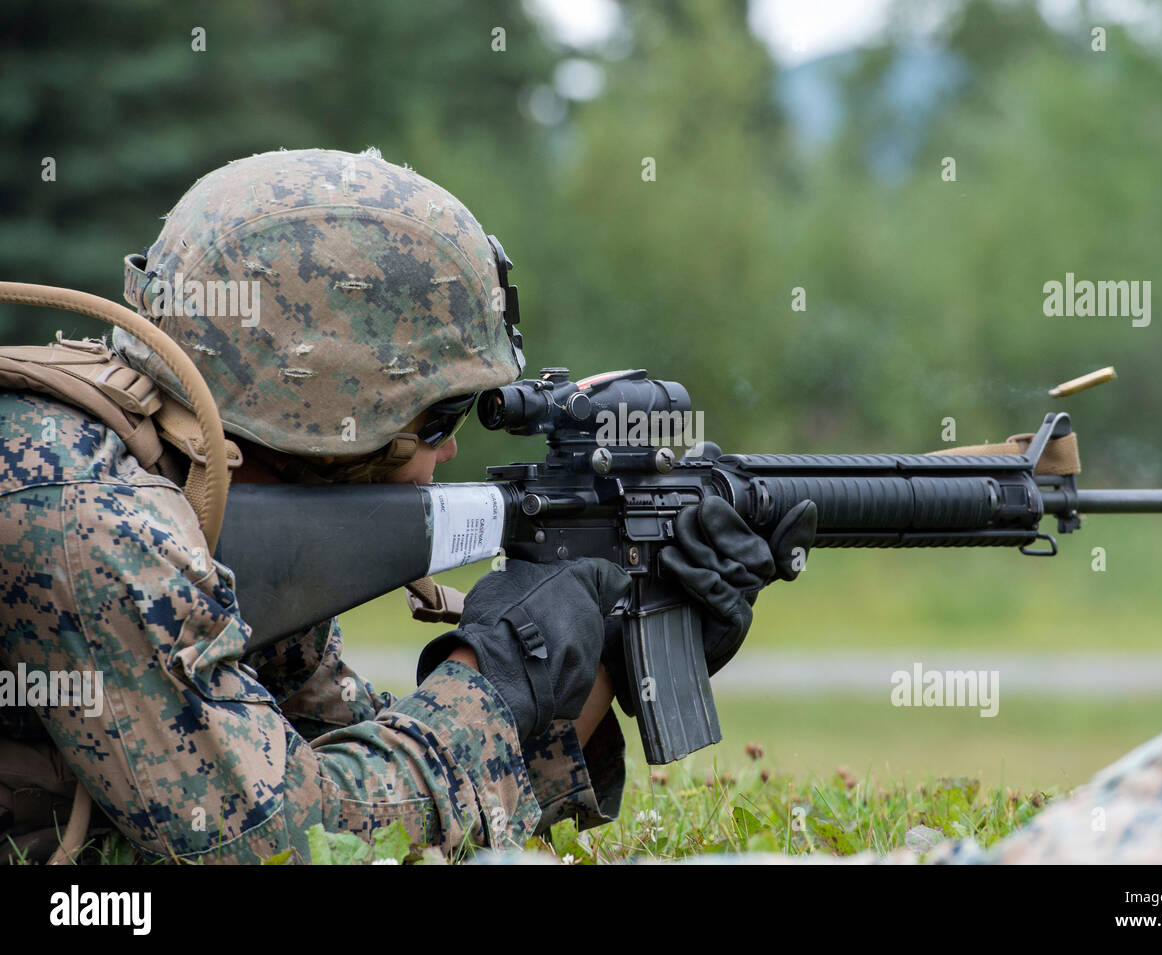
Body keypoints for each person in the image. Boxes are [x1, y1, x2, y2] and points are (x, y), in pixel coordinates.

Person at [0, 147, 798, 863]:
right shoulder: (89, 515)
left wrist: (598, 662)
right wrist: (492, 672)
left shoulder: (200, 489)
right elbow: (286, 845)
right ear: (320, 417)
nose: (449, 454)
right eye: (436, 421)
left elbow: (347, 774)